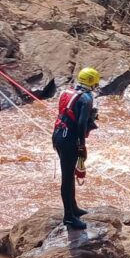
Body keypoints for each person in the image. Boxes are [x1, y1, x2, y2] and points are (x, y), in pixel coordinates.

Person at [52, 67, 100, 230]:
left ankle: (73, 207)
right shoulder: (86, 98)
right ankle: (69, 217)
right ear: (92, 82)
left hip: (59, 135)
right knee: (67, 177)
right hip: (69, 139)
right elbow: (80, 124)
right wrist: (82, 146)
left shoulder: (68, 92)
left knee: (70, 174)